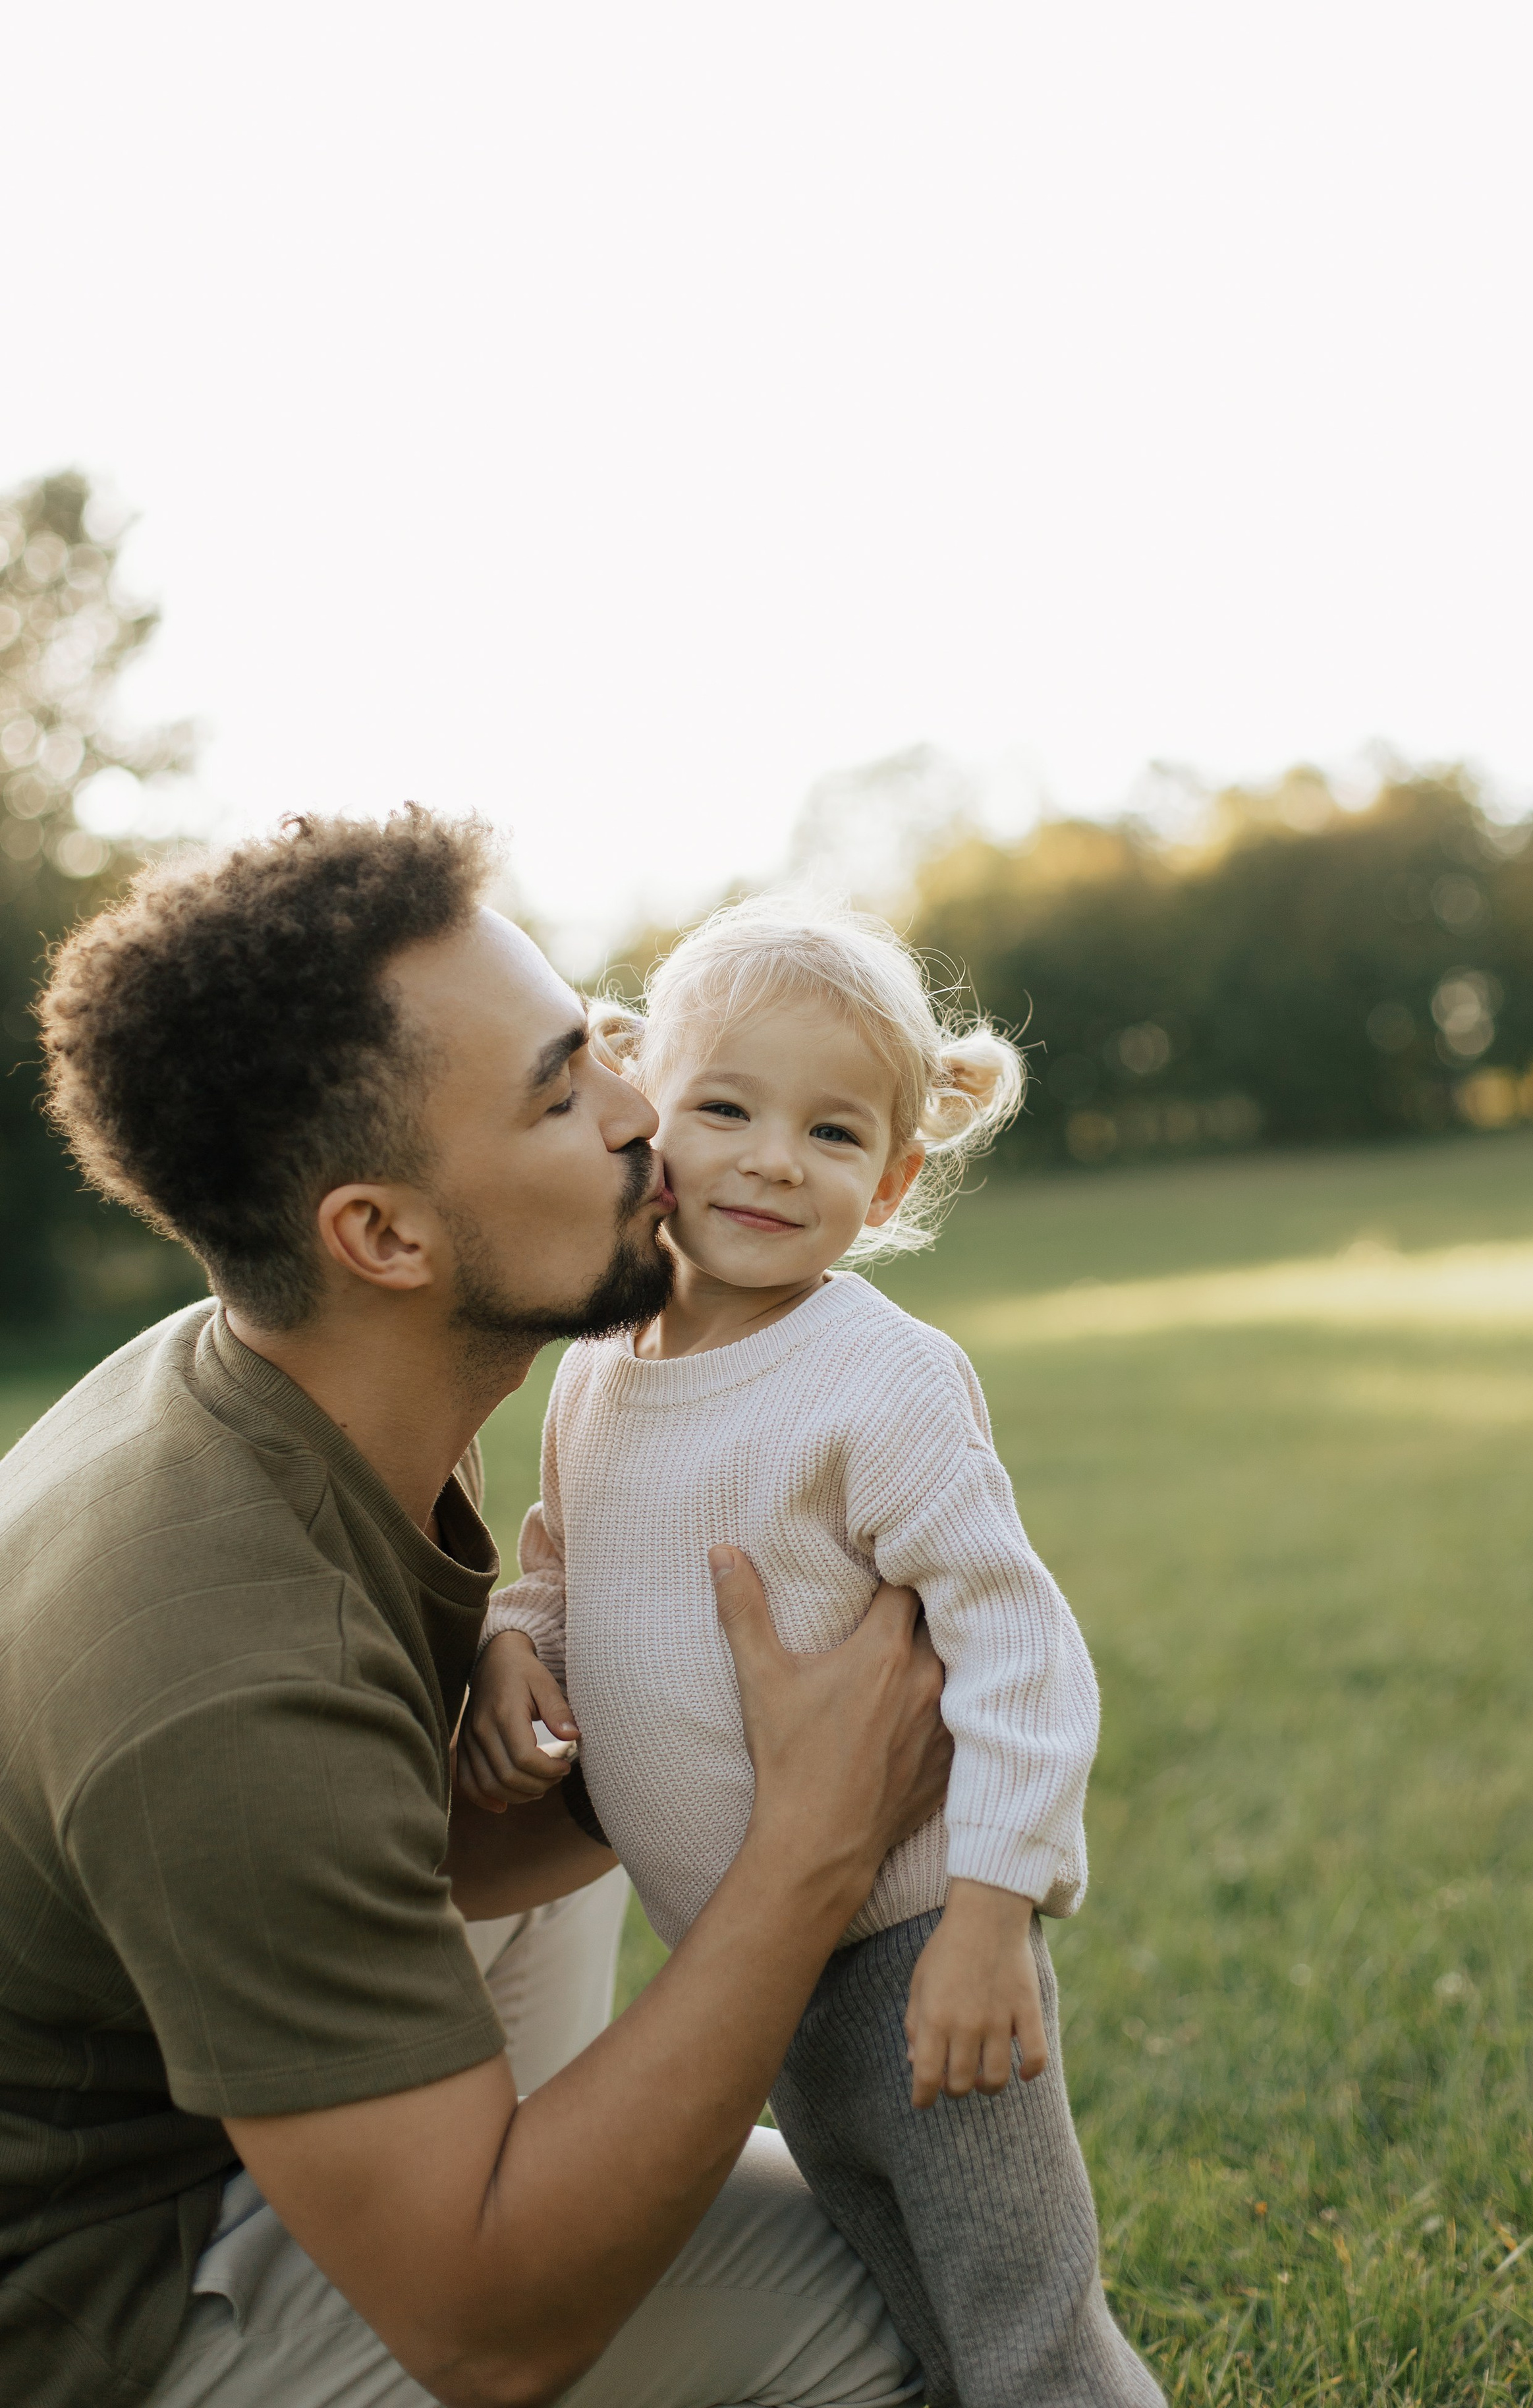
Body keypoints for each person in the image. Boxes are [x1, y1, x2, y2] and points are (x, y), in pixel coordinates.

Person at [0, 810, 954, 2408]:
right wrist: (811, 1843)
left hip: (206, 2115)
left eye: (598, 1047)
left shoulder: (294, 1386)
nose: (644, 1109)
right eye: (562, 1092)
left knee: (549, 1737)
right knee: (897, 2301)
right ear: (380, 1235)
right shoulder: (227, 1670)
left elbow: (413, 1845)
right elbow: (487, 2333)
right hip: (102, 2306)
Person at [463, 896, 1163, 2408]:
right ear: (648, 1106)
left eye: (832, 1135)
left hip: (915, 1944)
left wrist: (991, 1920)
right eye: (726, 1109)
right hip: (753, 1968)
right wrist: (518, 1645)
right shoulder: (598, 1369)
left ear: (894, 1177)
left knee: (1022, 2329)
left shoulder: (879, 1381)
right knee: (905, 2315)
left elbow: (1016, 1651)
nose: (773, 1158)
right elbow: (555, 1561)